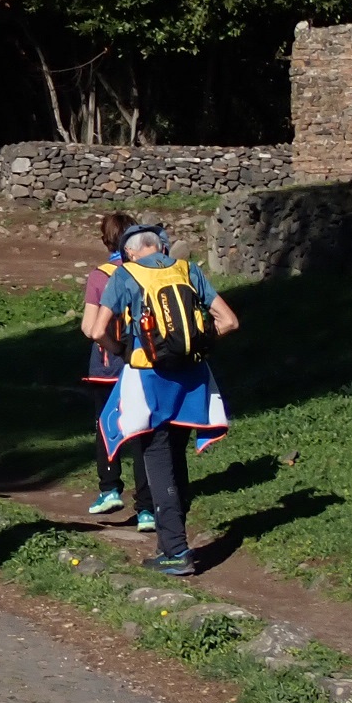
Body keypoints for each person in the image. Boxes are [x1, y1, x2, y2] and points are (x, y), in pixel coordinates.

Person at [85, 223, 239, 576]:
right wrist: (199, 344)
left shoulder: (125, 275)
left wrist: (122, 351)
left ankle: (175, 551)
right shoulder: (188, 270)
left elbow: (95, 330)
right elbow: (229, 321)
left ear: (130, 251)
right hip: (192, 380)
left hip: (149, 380)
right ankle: (174, 538)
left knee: (157, 459)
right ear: (162, 247)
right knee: (176, 456)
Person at [82, 211, 148, 525]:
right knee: (142, 432)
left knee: (106, 426)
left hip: (107, 366)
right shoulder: (147, 272)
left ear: (104, 240)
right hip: (143, 364)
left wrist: (115, 347)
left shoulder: (100, 276)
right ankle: (147, 506)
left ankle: (109, 488)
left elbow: (89, 327)